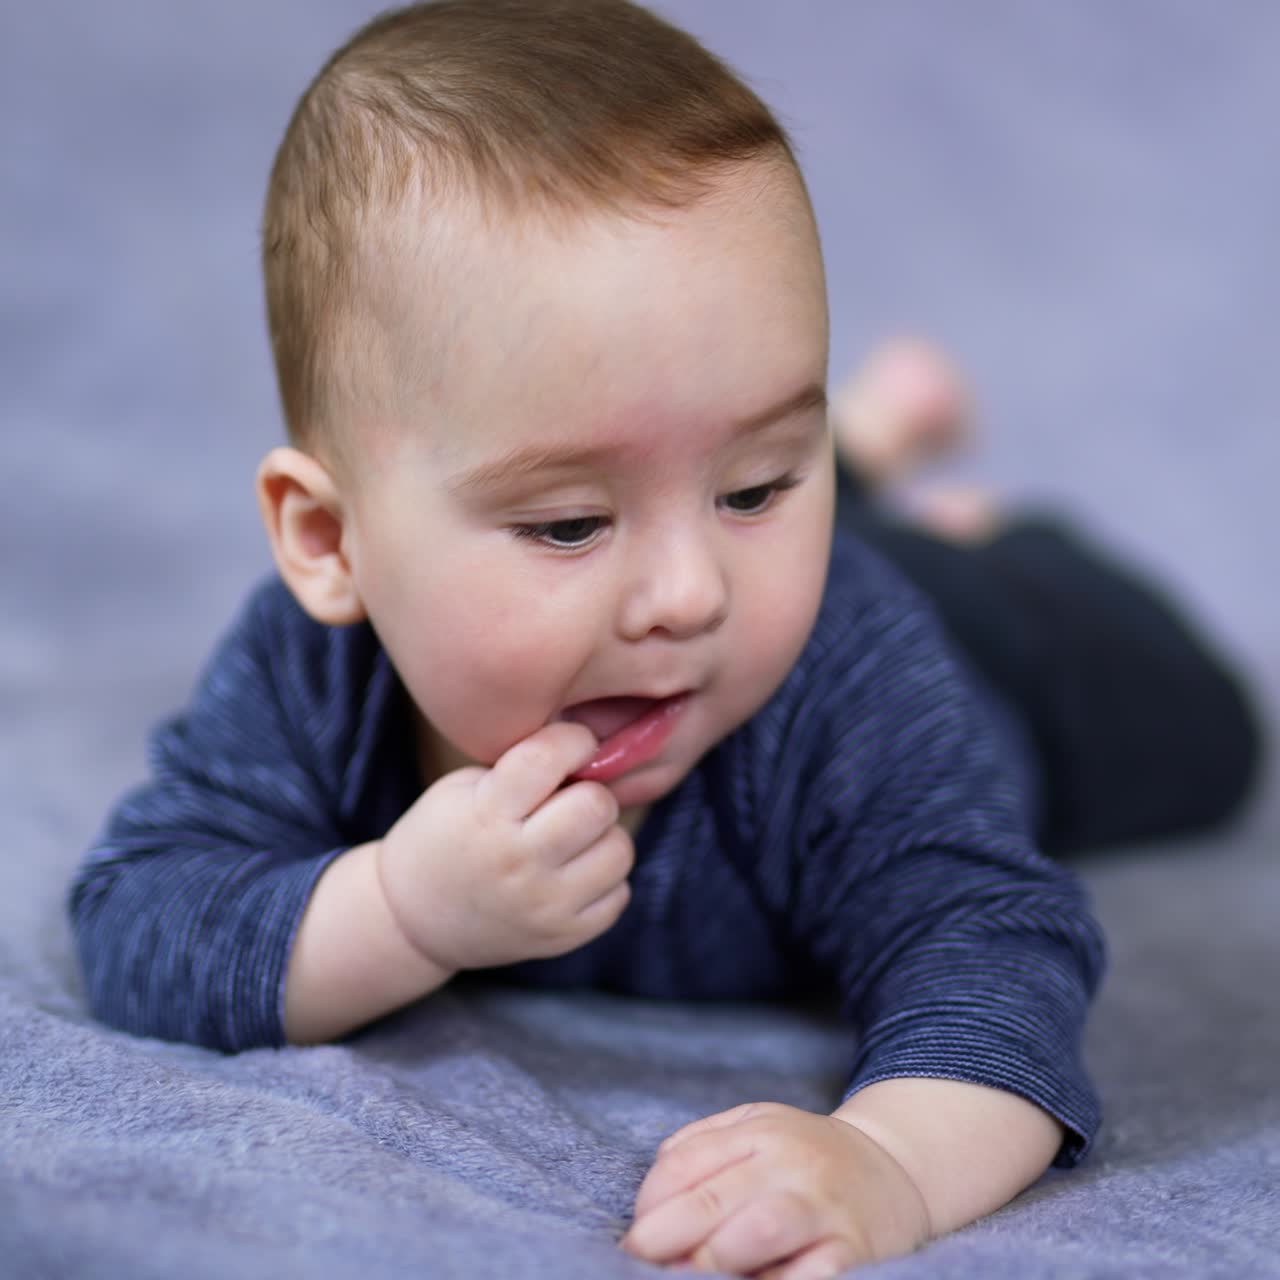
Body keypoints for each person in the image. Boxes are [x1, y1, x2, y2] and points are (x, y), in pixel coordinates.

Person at [66, 3, 1259, 1276]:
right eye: (570, 521)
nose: (685, 593)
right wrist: (401, 909)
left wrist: (890, 1163)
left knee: (1211, 732)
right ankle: (842, 457)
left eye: (754, 481)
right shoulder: (316, 676)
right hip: (816, 565)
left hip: (1012, 650)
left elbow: (995, 946)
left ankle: (908, 500)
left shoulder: (847, 685)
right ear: (330, 543)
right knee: (725, 501)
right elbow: (140, 919)